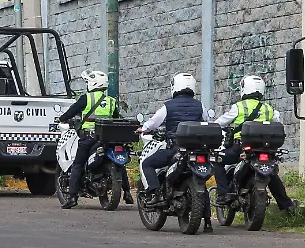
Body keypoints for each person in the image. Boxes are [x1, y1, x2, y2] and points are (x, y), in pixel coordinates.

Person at [213, 75, 298, 213]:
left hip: (240, 148)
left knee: (217, 160)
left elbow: (220, 122)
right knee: (271, 174)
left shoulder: (239, 107)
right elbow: (278, 124)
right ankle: (287, 204)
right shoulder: (269, 109)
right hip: (265, 148)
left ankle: (223, 194)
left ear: (244, 89)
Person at [58, 70, 130, 209]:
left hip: (89, 138)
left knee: (78, 165)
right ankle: (127, 192)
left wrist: (61, 118)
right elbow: (116, 118)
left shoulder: (86, 98)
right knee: (120, 164)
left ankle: (72, 197)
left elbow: (72, 111)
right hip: (108, 138)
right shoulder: (111, 101)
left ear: (92, 84)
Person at [137, 73, 209, 205]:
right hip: (197, 149)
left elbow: (154, 122)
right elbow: (207, 122)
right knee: (202, 182)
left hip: (176, 149)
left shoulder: (168, 106)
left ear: (174, 86)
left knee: (147, 163)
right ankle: (208, 222)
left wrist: (143, 128)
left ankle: (155, 193)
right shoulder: (200, 105)